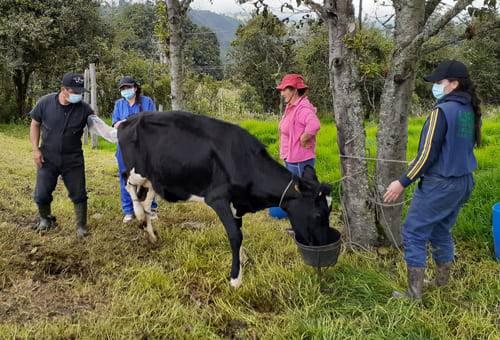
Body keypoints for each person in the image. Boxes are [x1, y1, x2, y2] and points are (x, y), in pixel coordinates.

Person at [384, 60, 481, 299]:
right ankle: (441, 281)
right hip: (463, 181)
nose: (436, 87)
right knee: (440, 230)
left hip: (441, 184)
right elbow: (453, 147)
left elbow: (427, 154)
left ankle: (413, 293)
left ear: (454, 84)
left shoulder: (441, 111)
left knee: (413, 232)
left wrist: (402, 181)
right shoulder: (469, 109)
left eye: (440, 82)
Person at [30, 72, 117, 238]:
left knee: (79, 193)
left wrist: (121, 133)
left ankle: (81, 226)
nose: (78, 95)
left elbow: (101, 129)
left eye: (80, 92)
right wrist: (35, 149)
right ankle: (45, 220)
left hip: (73, 159)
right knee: (41, 192)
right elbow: (35, 124)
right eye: (74, 91)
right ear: (63, 89)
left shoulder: (84, 109)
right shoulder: (45, 102)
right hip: (47, 157)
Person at [269, 74, 321, 219]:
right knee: (294, 188)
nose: (282, 93)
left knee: (301, 189)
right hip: (290, 157)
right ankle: (297, 212)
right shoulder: (292, 107)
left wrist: (304, 138)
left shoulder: (302, 109)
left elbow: (314, 125)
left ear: (294, 90)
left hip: (299, 159)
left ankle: (307, 216)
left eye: (284, 89)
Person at [112, 76, 158, 223]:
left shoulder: (147, 102)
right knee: (126, 178)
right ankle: (129, 210)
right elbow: (115, 123)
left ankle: (150, 208)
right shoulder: (119, 104)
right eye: (123, 89)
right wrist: (126, 123)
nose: (126, 91)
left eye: (128, 87)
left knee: (148, 178)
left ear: (135, 88)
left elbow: (153, 122)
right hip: (125, 147)